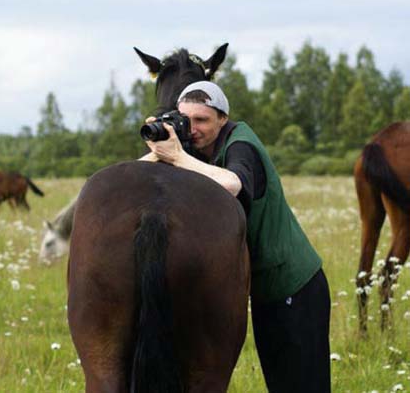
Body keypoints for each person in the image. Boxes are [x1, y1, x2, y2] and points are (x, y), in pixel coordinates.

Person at [140, 81, 331, 392]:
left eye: (202, 120)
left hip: (296, 286)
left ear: (222, 119)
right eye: (186, 120)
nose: (193, 128)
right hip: (267, 291)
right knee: (280, 383)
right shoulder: (199, 147)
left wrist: (177, 156)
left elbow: (232, 184)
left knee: (304, 385)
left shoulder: (242, 144)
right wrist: (158, 147)